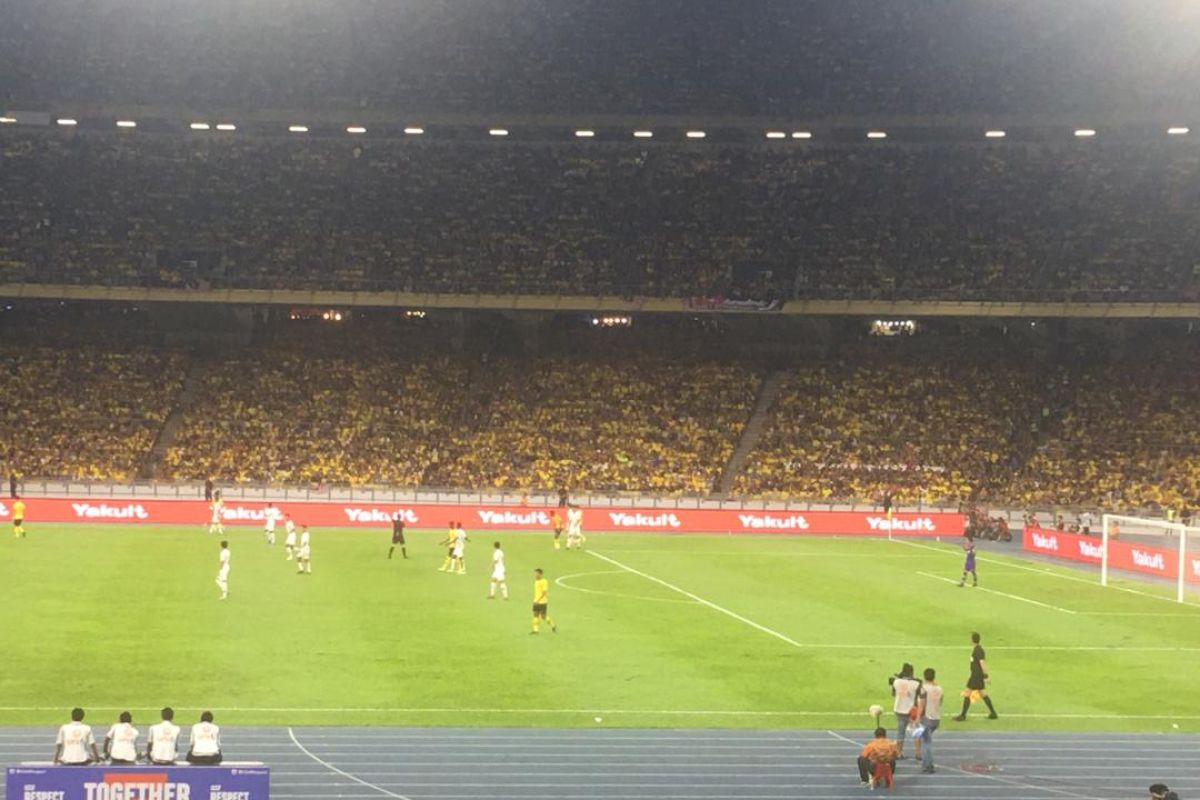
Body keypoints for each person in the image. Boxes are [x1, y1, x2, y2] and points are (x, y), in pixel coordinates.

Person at [953, 632, 998, 720]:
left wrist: (986, 676)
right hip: (977, 676)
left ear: (972, 640)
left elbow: (982, 663)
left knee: (967, 694)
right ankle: (993, 713)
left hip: (976, 676)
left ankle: (963, 715)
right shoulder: (977, 649)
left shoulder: (978, 650)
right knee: (983, 694)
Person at [889, 663, 922, 760]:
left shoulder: (896, 682)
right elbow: (919, 696)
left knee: (900, 732)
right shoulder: (916, 683)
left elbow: (893, 694)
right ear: (912, 672)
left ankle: (899, 752)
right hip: (911, 711)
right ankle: (918, 753)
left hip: (899, 709)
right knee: (916, 732)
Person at [917, 667, 943, 774]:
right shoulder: (939, 688)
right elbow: (941, 702)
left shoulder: (923, 688)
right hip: (936, 718)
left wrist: (917, 718)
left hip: (926, 719)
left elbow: (921, 705)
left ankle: (929, 765)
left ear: (924, 676)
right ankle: (925, 764)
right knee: (926, 741)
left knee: (926, 743)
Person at [531, 568, 556, 633]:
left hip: (542, 602)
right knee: (535, 615)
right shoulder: (536, 581)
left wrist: (538, 600)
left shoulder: (544, 581)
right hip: (536, 601)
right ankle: (535, 630)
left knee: (543, 616)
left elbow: (544, 592)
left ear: (540, 574)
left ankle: (553, 625)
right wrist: (535, 600)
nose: (535, 575)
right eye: (534, 574)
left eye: (536, 574)